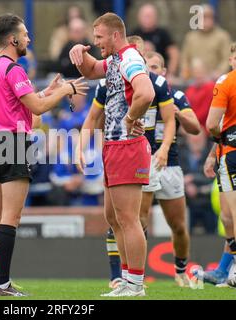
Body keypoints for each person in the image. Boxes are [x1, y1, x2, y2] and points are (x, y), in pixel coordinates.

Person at [0, 13, 88, 297]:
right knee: (11, 216)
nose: (29, 39)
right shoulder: (15, 69)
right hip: (14, 142)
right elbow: (37, 108)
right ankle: (4, 285)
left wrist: (49, 90)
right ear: (13, 39)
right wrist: (66, 90)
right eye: (25, 34)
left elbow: (17, 102)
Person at [72, 13, 155, 297]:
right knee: (113, 216)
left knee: (128, 218)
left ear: (115, 36)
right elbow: (92, 68)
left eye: (99, 38)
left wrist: (131, 118)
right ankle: (125, 279)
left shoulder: (130, 58)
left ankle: (136, 284)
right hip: (114, 146)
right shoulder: (116, 60)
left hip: (127, 147)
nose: (96, 43)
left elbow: (146, 92)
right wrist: (77, 54)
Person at [145, 51, 201, 286]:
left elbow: (196, 128)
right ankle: (134, 275)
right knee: (138, 222)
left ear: (164, 72)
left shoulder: (176, 95)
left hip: (170, 164)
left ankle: (180, 269)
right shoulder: (137, 93)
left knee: (178, 225)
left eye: (156, 67)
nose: (152, 72)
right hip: (141, 162)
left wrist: (178, 114)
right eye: (148, 67)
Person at [203, 43, 236, 287]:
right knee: (227, 217)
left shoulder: (226, 81)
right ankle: (225, 270)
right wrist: (214, 152)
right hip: (224, 150)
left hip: (232, 152)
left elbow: (213, 124)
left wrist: (219, 139)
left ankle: (230, 271)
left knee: (232, 215)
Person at [181, 4, 232, 80]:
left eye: (208, 17)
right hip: (193, 80)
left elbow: (227, 58)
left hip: (214, 79)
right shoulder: (190, 37)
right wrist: (185, 72)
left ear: (213, 19)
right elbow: (184, 59)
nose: (205, 20)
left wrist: (219, 72)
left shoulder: (223, 36)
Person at [131, 3, 180, 78]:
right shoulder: (134, 34)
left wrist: (170, 74)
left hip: (159, 75)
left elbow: (174, 54)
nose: (147, 18)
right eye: (145, 16)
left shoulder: (163, 33)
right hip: (138, 75)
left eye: (150, 16)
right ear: (139, 17)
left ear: (156, 17)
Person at [184, 58, 215, 128]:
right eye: (195, 71)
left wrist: (190, 122)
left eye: (200, 71)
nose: (198, 74)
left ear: (205, 71)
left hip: (205, 127)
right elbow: (185, 108)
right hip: (191, 124)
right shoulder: (189, 90)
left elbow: (205, 111)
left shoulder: (210, 87)